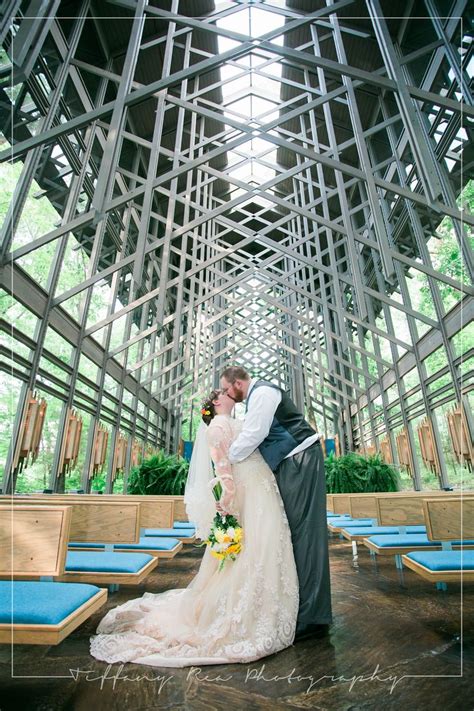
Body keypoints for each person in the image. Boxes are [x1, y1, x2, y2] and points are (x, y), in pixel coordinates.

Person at [89, 389, 298, 667]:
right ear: (215, 403)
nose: (228, 394)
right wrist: (228, 499)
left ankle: (264, 608)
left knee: (266, 544)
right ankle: (243, 612)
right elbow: (222, 466)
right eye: (222, 394)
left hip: (259, 487)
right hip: (248, 491)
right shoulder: (216, 428)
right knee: (254, 547)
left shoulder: (233, 421)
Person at [220, 366, 332, 640]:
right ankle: (304, 610)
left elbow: (255, 433)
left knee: (306, 534)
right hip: (291, 463)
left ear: (237, 383)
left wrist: (226, 458)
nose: (225, 394)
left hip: (301, 459)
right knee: (296, 533)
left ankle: (314, 618)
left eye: (226, 388)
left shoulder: (264, 393)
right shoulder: (256, 396)